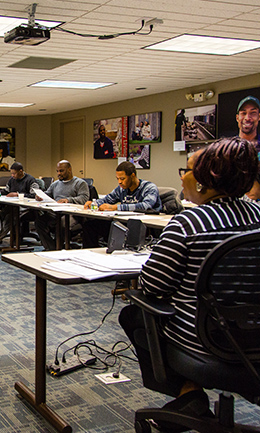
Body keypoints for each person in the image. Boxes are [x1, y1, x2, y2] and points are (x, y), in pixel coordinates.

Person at [119, 137, 260, 428]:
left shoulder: (189, 223)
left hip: (205, 344)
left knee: (134, 312)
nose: (182, 176)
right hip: (255, 340)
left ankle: (189, 393)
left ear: (204, 180)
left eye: (186, 169)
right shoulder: (257, 215)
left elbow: (152, 286)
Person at [81, 161, 161, 248]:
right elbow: (108, 199)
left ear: (132, 176)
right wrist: (94, 203)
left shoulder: (149, 188)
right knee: (90, 226)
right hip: (125, 222)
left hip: (143, 225)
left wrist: (115, 207)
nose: (119, 182)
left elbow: (146, 206)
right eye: (117, 179)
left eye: (122, 179)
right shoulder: (122, 189)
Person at [0, 162, 39, 251]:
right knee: (2, 213)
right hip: (13, 205)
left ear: (21, 171)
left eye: (14, 173)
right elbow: (6, 191)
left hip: (27, 208)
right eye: (11, 173)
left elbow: (35, 195)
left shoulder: (31, 180)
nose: (12, 175)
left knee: (10, 217)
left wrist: (18, 194)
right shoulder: (12, 180)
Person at [35, 160, 89, 250]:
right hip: (56, 212)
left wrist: (68, 200)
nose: (59, 174)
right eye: (57, 171)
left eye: (61, 171)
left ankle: (57, 247)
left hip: (72, 213)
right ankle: (51, 248)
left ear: (69, 170)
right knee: (39, 222)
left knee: (63, 222)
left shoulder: (80, 183)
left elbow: (84, 199)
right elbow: (47, 194)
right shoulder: (55, 184)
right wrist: (40, 196)